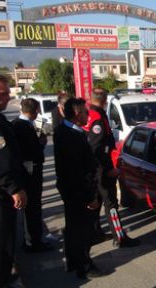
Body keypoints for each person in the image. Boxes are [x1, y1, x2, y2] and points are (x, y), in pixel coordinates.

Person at [83, 88, 140, 249]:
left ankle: (95, 233)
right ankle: (119, 238)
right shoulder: (98, 119)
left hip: (95, 169)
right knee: (111, 204)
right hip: (101, 169)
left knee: (99, 201)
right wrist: (108, 169)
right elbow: (97, 149)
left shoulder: (90, 114)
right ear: (104, 99)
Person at [54, 98, 103, 279]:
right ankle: (84, 264)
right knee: (83, 230)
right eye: (84, 112)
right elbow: (78, 171)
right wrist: (91, 196)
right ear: (76, 114)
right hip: (78, 192)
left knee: (73, 228)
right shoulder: (72, 137)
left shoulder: (63, 130)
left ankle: (73, 261)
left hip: (70, 190)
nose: (88, 115)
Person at [0, 74, 28, 287]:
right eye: (4, 94)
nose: (8, 98)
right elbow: (0, 161)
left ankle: (1, 274)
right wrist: (14, 189)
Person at [12, 98, 51, 253]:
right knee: (33, 207)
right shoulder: (23, 126)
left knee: (31, 208)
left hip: (26, 171)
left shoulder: (16, 124)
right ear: (35, 112)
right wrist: (41, 143)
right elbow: (30, 152)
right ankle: (33, 241)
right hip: (30, 172)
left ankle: (31, 239)